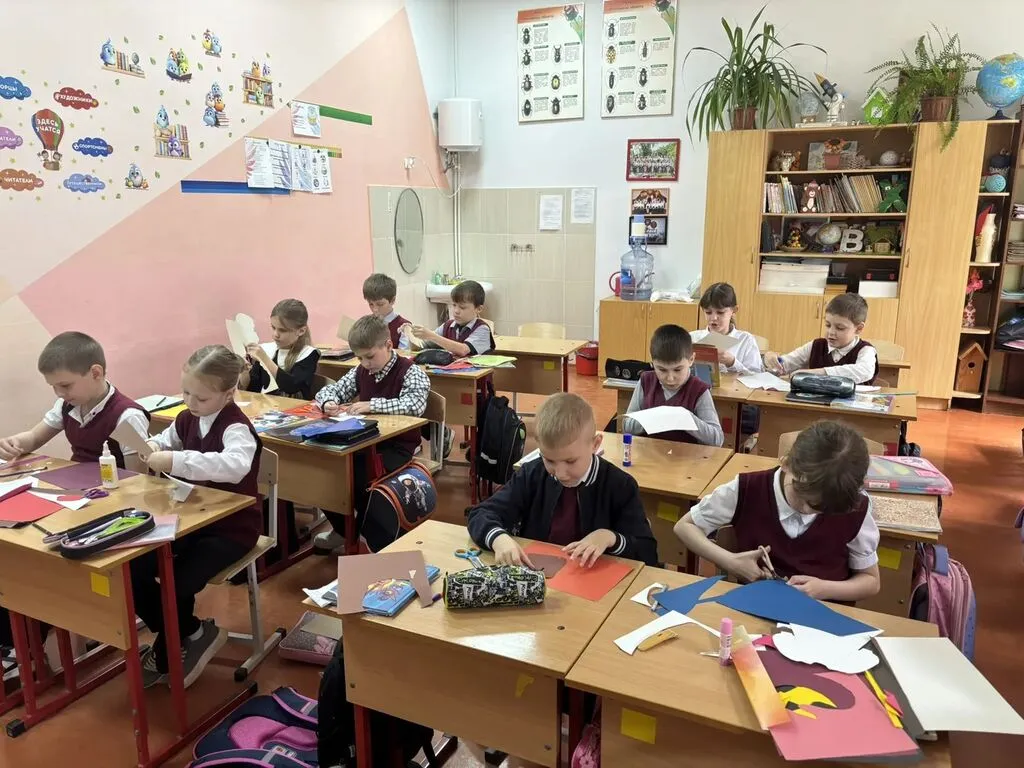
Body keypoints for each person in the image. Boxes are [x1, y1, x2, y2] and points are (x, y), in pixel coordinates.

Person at [135, 345, 263, 689]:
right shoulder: (186, 418)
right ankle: (191, 630)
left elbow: (235, 466)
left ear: (228, 394)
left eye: (201, 398)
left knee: (177, 582)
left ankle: (172, 643)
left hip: (232, 529)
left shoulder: (236, 427)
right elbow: (166, 440)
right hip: (190, 520)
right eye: (186, 393)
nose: (191, 402)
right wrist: (156, 447)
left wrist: (176, 461)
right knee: (135, 567)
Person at [674, 420, 881, 603]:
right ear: (786, 463)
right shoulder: (748, 489)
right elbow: (685, 526)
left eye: (820, 508)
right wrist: (730, 562)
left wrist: (824, 589)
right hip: (756, 608)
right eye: (801, 494)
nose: (806, 509)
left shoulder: (854, 505)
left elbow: (871, 581)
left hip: (826, 614)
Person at [468, 392, 658, 568]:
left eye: (570, 461)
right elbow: (480, 514)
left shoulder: (620, 485)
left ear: (595, 444)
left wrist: (609, 537)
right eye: (549, 460)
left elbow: (647, 552)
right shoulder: (532, 474)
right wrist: (499, 539)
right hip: (541, 578)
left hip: (593, 583)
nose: (560, 473)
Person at [312, 315, 429, 554]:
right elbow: (332, 390)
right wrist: (329, 402)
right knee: (323, 472)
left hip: (397, 448)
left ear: (388, 345)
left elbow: (415, 405)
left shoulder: (410, 371)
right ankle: (345, 531)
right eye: (360, 358)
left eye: (370, 356)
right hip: (364, 443)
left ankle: (374, 539)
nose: (365, 363)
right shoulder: (361, 371)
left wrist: (372, 404)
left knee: (356, 477)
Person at [0, 331, 149, 465]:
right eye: (53, 386)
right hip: (77, 483)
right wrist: (14, 444)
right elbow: (34, 438)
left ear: (96, 373)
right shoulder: (67, 405)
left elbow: (139, 479)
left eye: (65, 385)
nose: (59, 393)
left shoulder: (126, 417)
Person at [622, 324, 724, 446]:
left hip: (685, 456)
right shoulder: (646, 381)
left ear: (691, 359)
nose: (670, 379)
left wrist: (686, 419)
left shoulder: (699, 390)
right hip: (648, 453)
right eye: (662, 370)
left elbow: (717, 439)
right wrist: (654, 417)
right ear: (652, 362)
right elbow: (626, 426)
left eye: (677, 370)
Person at [763, 293, 878, 384]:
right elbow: (785, 365)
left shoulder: (866, 350)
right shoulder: (816, 345)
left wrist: (817, 373)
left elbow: (865, 371)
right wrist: (769, 360)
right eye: (828, 325)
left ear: (858, 329)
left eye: (840, 328)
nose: (831, 332)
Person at [240, 298, 320, 400]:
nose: (275, 334)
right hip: (266, 406)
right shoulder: (268, 349)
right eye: (273, 328)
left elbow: (292, 386)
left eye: (282, 330)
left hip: (295, 407)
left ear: (301, 331)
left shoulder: (309, 354)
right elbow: (253, 388)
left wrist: (265, 359)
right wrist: (244, 370)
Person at [691, 282, 763, 375]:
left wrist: (732, 362)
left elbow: (757, 377)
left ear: (734, 310)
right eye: (708, 312)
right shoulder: (692, 338)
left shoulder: (746, 340)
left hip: (737, 385)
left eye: (720, 312)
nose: (714, 318)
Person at [412, 280, 494, 357]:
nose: (456, 311)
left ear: (478, 309)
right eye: (454, 305)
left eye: (462, 307)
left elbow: (463, 350)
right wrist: (412, 334)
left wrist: (430, 335)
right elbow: (424, 344)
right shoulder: (448, 325)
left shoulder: (482, 329)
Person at [362, 273, 409, 349]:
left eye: (380, 304)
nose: (375, 309)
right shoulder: (367, 324)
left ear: (392, 300)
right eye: (371, 304)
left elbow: (404, 354)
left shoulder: (404, 326)